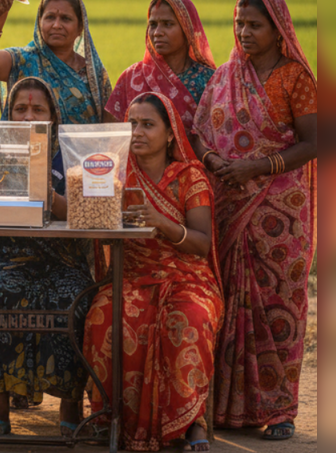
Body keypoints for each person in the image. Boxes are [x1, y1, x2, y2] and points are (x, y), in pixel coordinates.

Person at [193, 0, 317, 440]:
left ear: (277, 29)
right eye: (240, 23)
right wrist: (212, 162)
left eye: (255, 25)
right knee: (226, 304)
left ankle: (279, 410)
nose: (245, 32)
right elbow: (199, 131)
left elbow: (313, 142)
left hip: (279, 212)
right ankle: (226, 410)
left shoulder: (295, 78)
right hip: (226, 203)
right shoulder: (226, 75)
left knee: (277, 302)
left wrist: (255, 167)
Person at [84, 93, 223, 452]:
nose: (137, 131)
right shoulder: (113, 171)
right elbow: (91, 216)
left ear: (171, 133)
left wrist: (163, 223)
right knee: (105, 316)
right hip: (130, 275)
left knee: (186, 319)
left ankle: (192, 422)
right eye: (131, 123)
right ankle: (115, 420)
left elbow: (201, 244)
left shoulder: (189, 177)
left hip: (186, 277)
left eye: (148, 124)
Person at [0, 77, 93, 437]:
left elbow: (88, 210)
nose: (27, 117)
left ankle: (70, 407)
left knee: (71, 301)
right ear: (8, 115)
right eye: (19, 109)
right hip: (6, 259)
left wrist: (47, 195)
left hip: (62, 262)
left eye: (37, 109)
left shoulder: (70, 152)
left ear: (53, 116)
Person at [0, 0, 112, 125]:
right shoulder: (22, 60)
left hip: (81, 148)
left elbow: (110, 127)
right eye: (50, 17)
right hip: (29, 146)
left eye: (66, 19)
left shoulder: (93, 74)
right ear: (40, 22)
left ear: (80, 28)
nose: (56, 25)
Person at [107, 0, 216, 134]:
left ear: (187, 29)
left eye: (168, 24)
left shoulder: (209, 80)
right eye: (152, 25)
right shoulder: (131, 77)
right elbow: (114, 136)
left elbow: (217, 136)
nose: (157, 33)